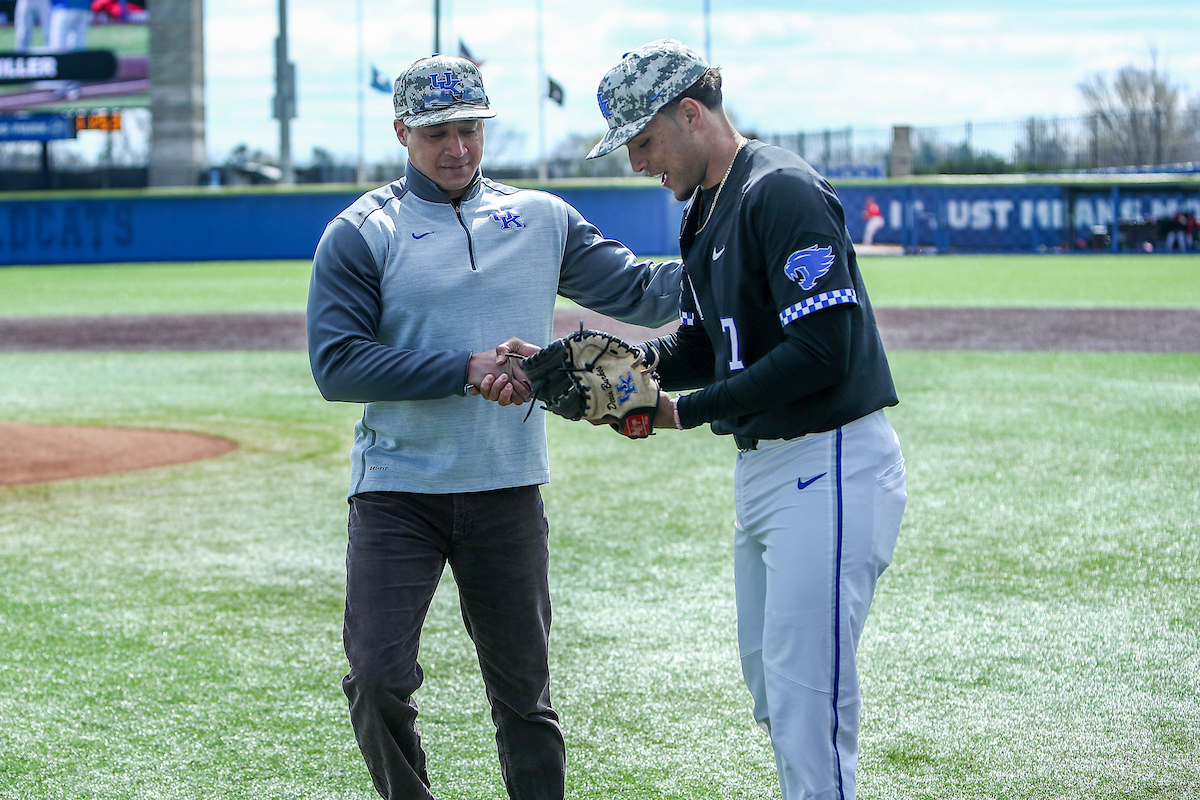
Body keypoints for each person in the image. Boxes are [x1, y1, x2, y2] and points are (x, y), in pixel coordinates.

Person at [305, 54, 682, 800]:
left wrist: (742, 249)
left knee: (525, 697)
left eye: (471, 129)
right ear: (402, 132)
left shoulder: (542, 217)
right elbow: (338, 366)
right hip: (396, 494)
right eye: (438, 131)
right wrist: (465, 367)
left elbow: (643, 292)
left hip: (508, 491)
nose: (458, 149)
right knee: (377, 680)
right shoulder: (360, 231)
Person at [584, 39, 908, 800]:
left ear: (689, 114)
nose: (636, 162)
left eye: (643, 140)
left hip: (827, 460)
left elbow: (823, 352)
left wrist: (683, 412)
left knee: (805, 702)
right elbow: (707, 341)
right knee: (773, 688)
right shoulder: (705, 208)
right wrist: (622, 369)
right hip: (769, 471)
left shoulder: (781, 190)